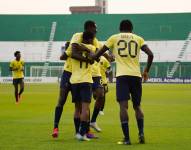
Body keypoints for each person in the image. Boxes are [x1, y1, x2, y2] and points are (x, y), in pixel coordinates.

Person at [90, 19, 154, 145]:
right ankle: (141, 133)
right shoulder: (138, 38)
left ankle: (127, 138)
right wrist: (145, 71)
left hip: (122, 76)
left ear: (120, 28)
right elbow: (151, 54)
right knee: (137, 106)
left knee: (123, 106)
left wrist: (93, 57)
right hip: (136, 76)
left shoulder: (114, 38)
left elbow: (100, 52)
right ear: (132, 29)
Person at [70, 31, 96, 141]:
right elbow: (93, 59)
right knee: (85, 109)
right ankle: (82, 134)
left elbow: (72, 52)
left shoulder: (75, 47)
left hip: (74, 80)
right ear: (90, 39)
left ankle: (77, 132)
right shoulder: (92, 48)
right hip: (86, 80)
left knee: (77, 108)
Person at [52, 41, 71, 138]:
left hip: (78, 75)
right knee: (61, 100)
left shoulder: (79, 48)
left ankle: (81, 130)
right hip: (67, 75)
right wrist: (68, 48)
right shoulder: (69, 50)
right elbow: (62, 57)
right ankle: (55, 127)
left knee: (80, 104)